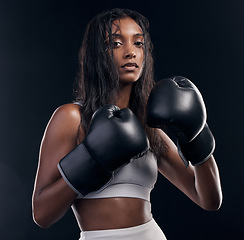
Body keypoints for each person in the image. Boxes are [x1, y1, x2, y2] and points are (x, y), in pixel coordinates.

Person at [32, 8, 223, 240]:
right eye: (116, 43)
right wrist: (92, 161)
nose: (130, 52)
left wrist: (196, 136)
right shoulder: (72, 117)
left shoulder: (147, 124)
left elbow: (209, 200)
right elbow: (42, 214)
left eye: (138, 43)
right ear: (97, 54)